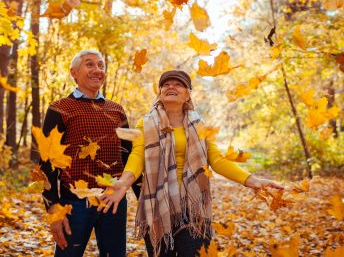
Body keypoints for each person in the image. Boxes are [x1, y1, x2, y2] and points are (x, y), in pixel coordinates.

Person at [99, 70, 284, 256]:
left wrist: (252, 180)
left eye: (178, 84)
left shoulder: (199, 125)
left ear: (187, 94)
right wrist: (123, 183)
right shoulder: (146, 123)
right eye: (166, 84)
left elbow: (217, 161)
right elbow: (137, 156)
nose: (171, 86)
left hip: (192, 206)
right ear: (160, 92)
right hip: (158, 205)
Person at [39, 50, 140, 256]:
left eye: (100, 65)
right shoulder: (59, 109)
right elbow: (46, 162)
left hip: (113, 201)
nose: (97, 70)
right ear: (74, 72)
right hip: (75, 203)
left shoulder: (117, 110)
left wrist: (144, 199)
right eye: (89, 64)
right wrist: (53, 208)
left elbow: (129, 157)